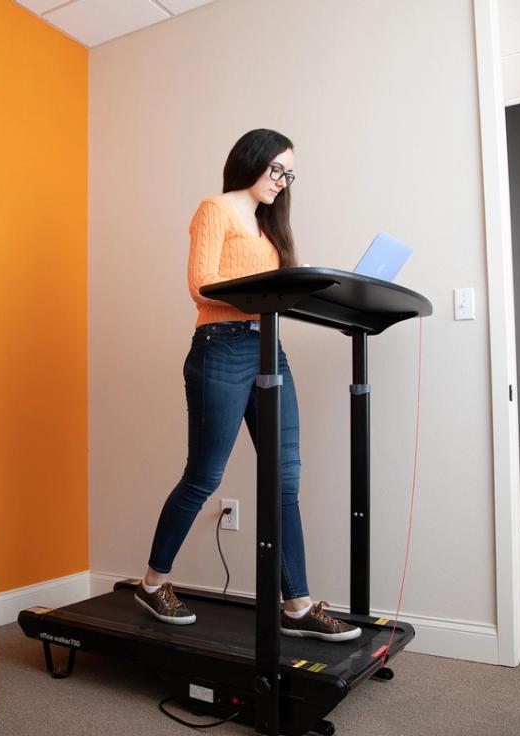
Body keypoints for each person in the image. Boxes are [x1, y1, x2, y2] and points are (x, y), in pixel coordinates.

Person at [135, 129, 360, 643]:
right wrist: (264, 299)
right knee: (204, 476)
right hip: (221, 346)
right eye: (277, 169)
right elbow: (201, 284)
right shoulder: (215, 209)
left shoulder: (268, 229)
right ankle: (152, 583)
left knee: (285, 478)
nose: (283, 182)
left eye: (289, 174)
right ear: (252, 161)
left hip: (268, 348)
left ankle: (297, 606)